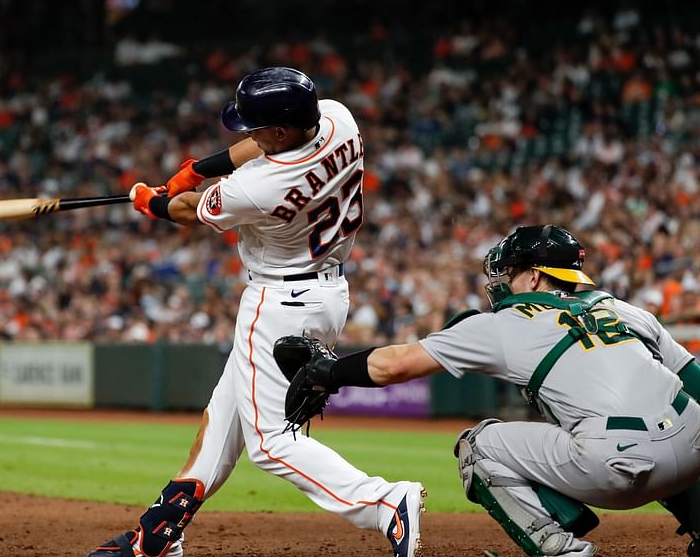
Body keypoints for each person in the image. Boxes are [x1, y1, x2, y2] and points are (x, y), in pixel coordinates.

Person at [88, 67, 425, 557]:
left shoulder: (258, 186)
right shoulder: (338, 119)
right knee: (225, 413)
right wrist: (199, 167)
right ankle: (160, 532)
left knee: (271, 443)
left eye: (257, 127)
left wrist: (151, 201)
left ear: (282, 130)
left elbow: (187, 211)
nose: (249, 135)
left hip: (279, 302)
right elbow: (263, 145)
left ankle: (384, 503)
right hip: (326, 292)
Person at [275, 224, 700, 557]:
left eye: (511, 272)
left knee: (478, 448)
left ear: (534, 277)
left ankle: (562, 551)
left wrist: (328, 372)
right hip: (694, 451)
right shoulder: (622, 308)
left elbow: (395, 365)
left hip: (622, 467)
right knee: (672, 419)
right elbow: (694, 381)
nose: (502, 281)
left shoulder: (506, 321)